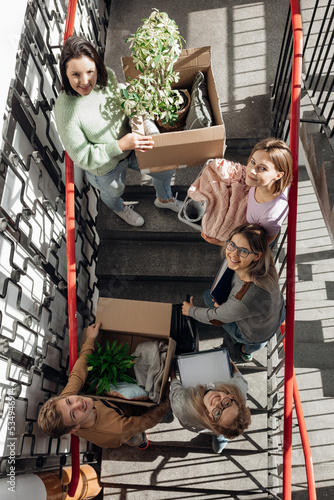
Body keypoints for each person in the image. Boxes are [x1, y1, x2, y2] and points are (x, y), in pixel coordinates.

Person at [54, 35, 182, 227]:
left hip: (133, 145)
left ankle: (164, 199)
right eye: (76, 75)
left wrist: (148, 128)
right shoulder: (66, 111)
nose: (85, 81)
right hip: (105, 166)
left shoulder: (107, 78)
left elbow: (130, 105)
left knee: (165, 168)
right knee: (114, 191)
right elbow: (83, 156)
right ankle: (118, 207)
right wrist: (120, 145)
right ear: (65, 73)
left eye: (90, 71)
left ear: (97, 66)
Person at [37, 322, 171, 449]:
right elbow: (147, 420)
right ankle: (141, 442)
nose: (78, 403)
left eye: (69, 401)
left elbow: (78, 374)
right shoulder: (115, 430)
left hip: (116, 410)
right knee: (134, 436)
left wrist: (90, 339)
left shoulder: (64, 404)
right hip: (124, 427)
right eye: (73, 415)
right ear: (75, 429)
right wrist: (166, 402)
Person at [182, 223, 285, 362]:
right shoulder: (266, 263)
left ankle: (242, 348)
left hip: (251, 333)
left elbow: (215, 318)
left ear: (256, 256)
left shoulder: (242, 299)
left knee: (208, 296)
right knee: (259, 340)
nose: (233, 254)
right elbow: (241, 250)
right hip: (276, 317)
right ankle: (246, 352)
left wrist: (191, 311)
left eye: (243, 251)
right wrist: (219, 242)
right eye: (232, 245)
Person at [201, 137, 293, 246]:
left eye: (263, 168)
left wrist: (220, 242)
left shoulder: (270, 217)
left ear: (278, 175)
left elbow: (258, 247)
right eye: (253, 162)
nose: (251, 171)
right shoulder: (260, 182)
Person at [169, 360, 251, 453]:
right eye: (227, 403)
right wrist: (230, 362)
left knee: (220, 430)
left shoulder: (183, 406)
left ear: (211, 418)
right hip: (213, 426)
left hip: (197, 423)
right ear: (232, 397)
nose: (217, 403)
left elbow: (175, 389)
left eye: (217, 413)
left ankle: (220, 437)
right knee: (221, 431)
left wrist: (172, 374)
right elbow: (238, 376)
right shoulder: (239, 388)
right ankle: (219, 442)